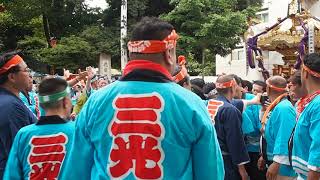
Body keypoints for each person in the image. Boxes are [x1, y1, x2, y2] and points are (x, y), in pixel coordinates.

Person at [62, 17, 224, 179]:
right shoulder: (192, 104)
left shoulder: (95, 103)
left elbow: (75, 170)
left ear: (132, 53)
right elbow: (211, 173)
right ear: (168, 53)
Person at [4, 77, 75, 179]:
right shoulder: (78, 132)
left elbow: (11, 176)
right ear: (66, 102)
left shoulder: (23, 134)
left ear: (41, 104)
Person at [0, 51, 37, 178]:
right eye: (26, 70)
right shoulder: (11, 106)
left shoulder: (9, 100)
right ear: (12, 77)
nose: (30, 75)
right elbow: (17, 151)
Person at [208, 74, 249, 180]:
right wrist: (242, 168)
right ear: (233, 87)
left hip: (208, 157)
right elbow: (235, 140)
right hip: (225, 160)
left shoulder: (208, 104)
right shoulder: (229, 110)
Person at [259, 76, 297, 180]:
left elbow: (285, 137)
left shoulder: (284, 108)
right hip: (274, 161)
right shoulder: (277, 105)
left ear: (268, 89)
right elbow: (268, 132)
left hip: (283, 168)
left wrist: (277, 162)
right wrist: (264, 155)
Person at [292, 53, 320, 180]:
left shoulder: (318, 103)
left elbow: (318, 143)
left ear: (305, 72)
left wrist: (314, 172)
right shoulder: (312, 102)